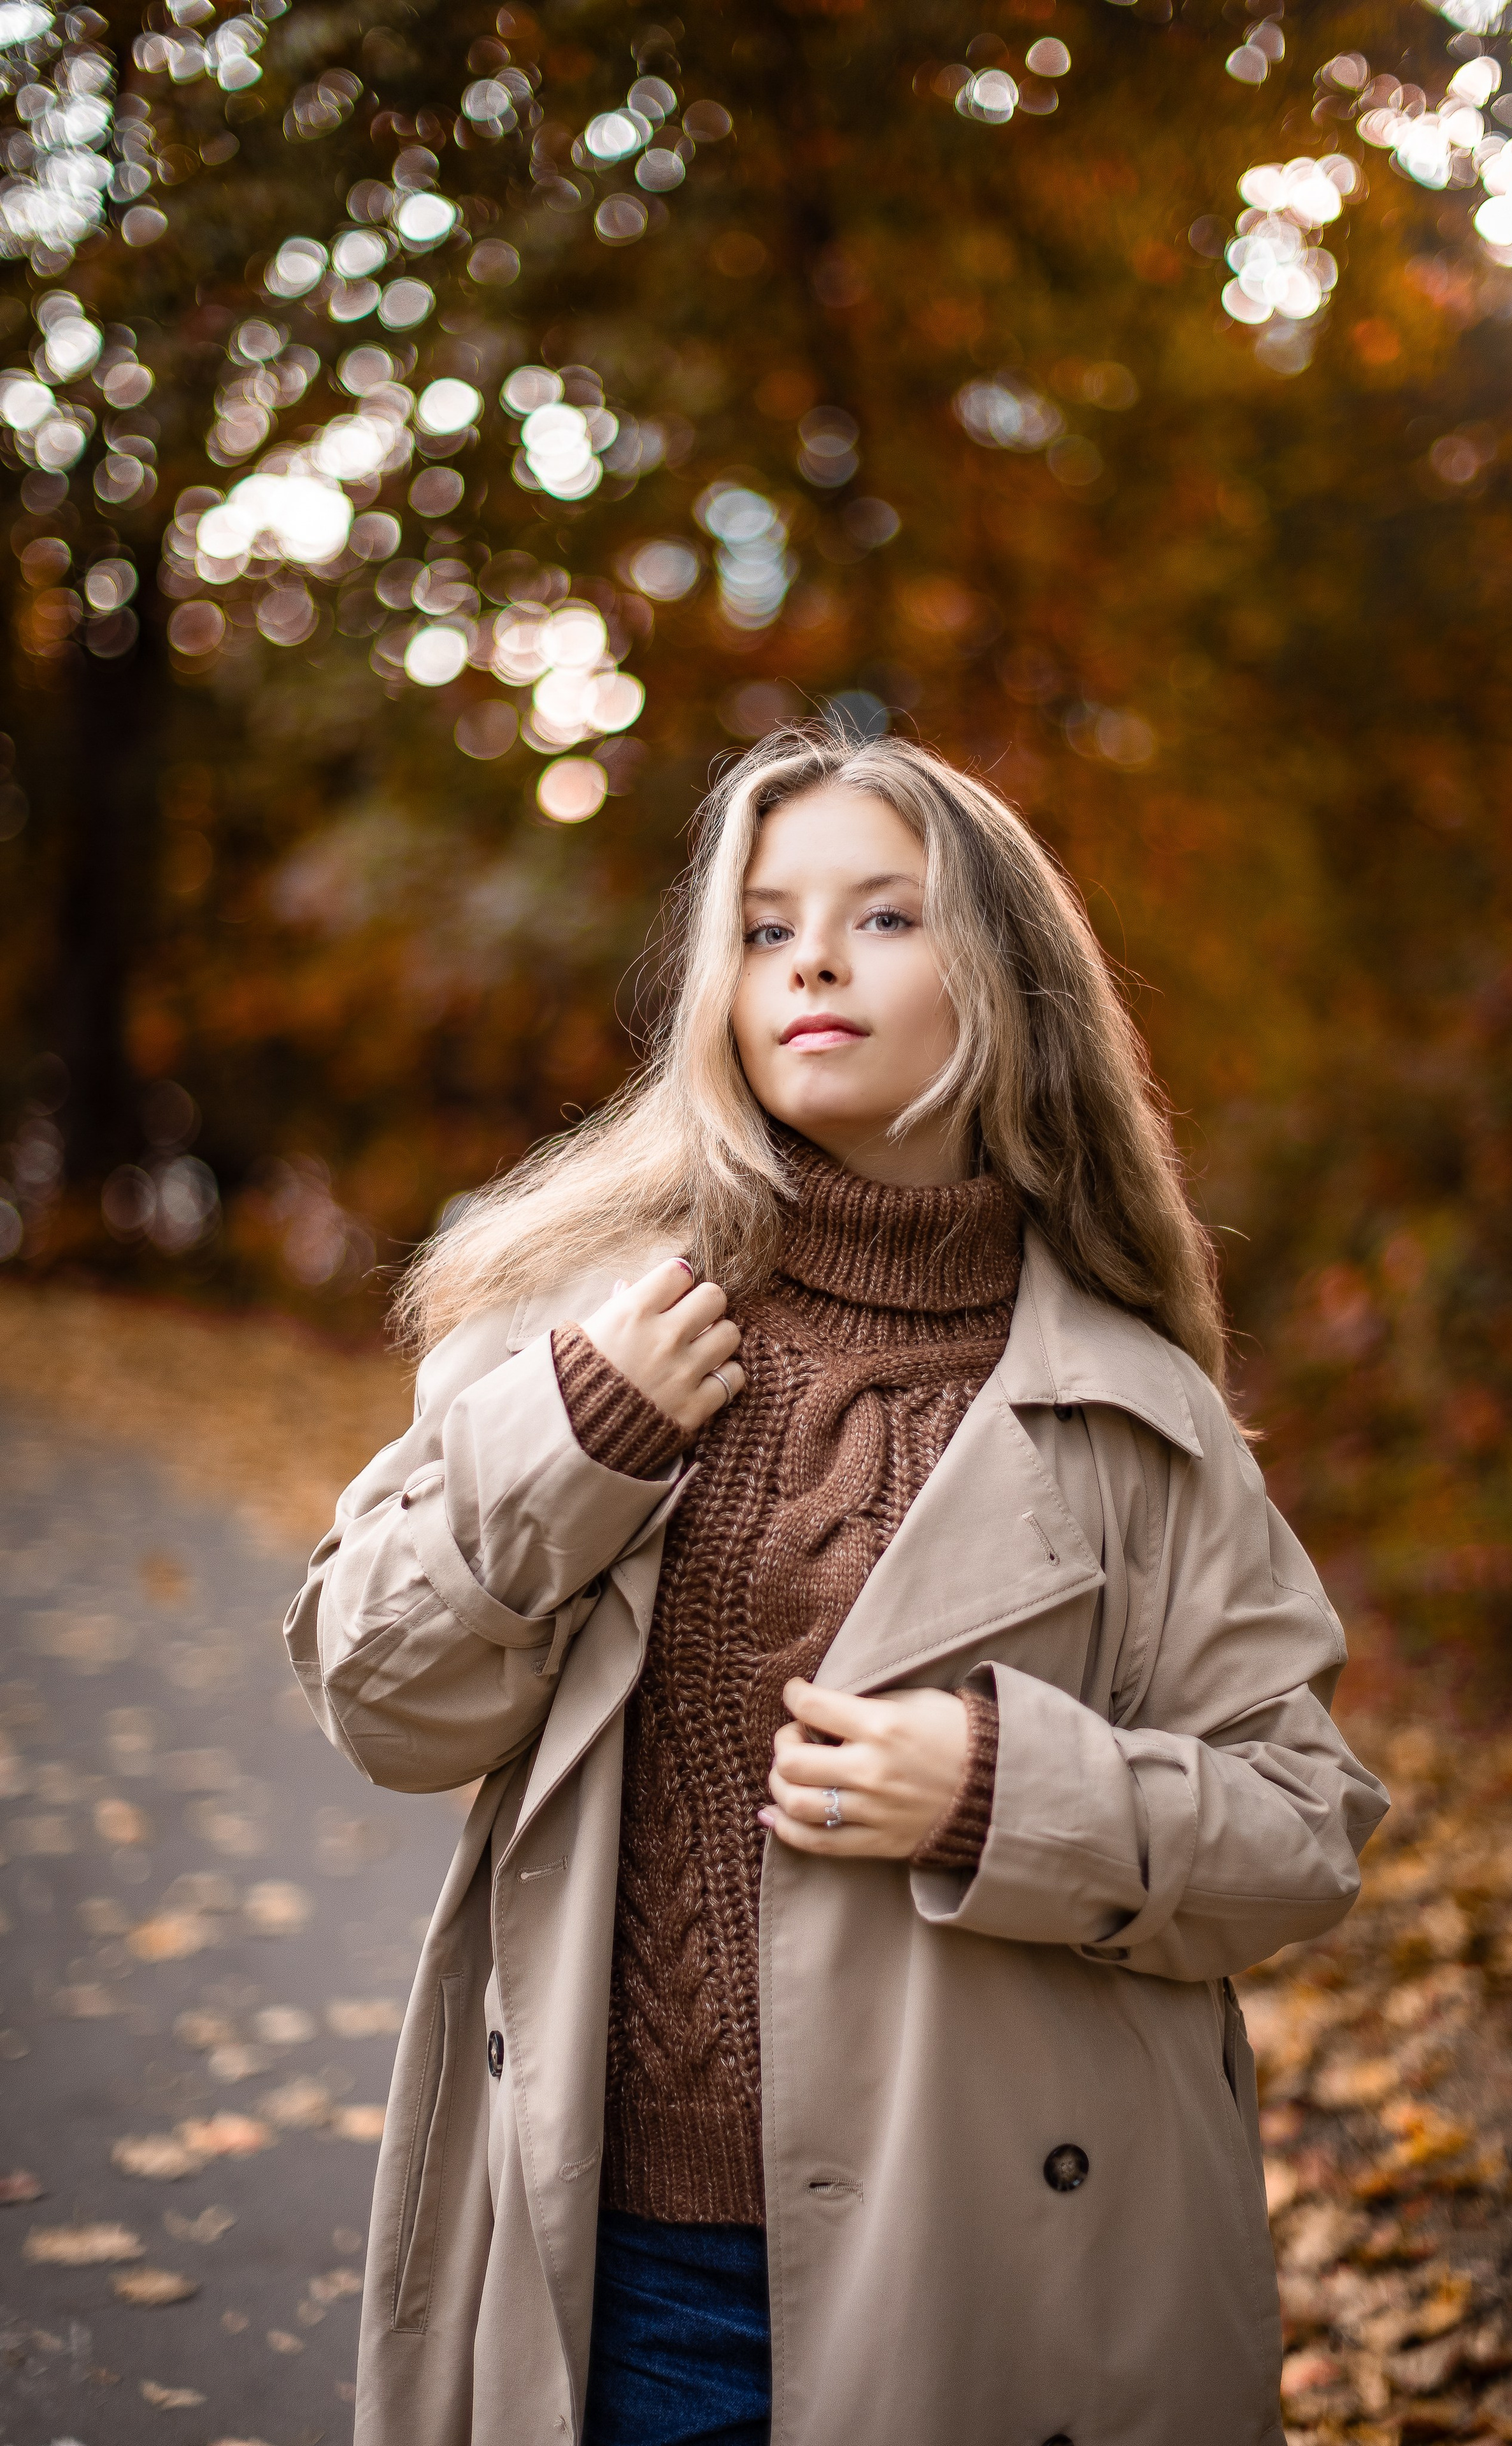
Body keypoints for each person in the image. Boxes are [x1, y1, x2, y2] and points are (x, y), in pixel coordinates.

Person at [286, 726, 1388, 2446]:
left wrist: (1007, 1793)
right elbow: (384, 1704)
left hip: (1004, 2277)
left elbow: (1300, 1828)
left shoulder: (1136, 1412)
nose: (809, 955)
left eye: (885, 917)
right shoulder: (587, 1329)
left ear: (1004, 983)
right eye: (764, 921)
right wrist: (576, 1444)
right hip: (631, 2269)